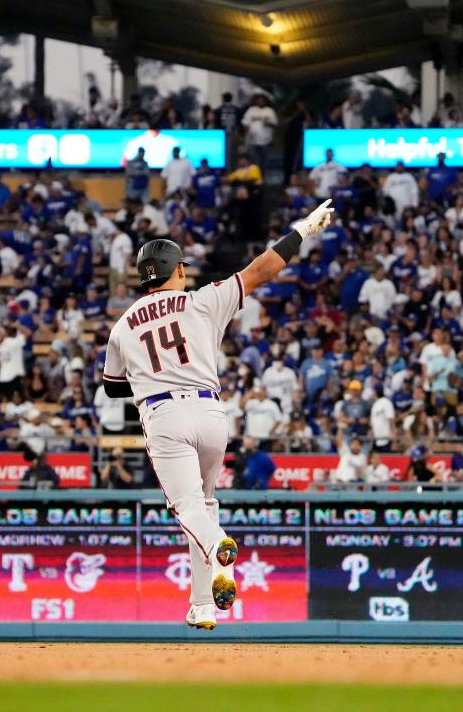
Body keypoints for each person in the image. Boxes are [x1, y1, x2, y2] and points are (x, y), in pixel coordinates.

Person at [102, 199, 333, 630]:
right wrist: (302, 230)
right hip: (211, 411)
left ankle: (216, 542)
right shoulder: (203, 300)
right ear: (180, 270)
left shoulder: (124, 325)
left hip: (163, 414)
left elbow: (113, 388)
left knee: (189, 508)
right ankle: (203, 605)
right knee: (206, 503)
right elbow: (262, 269)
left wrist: (149, 372)